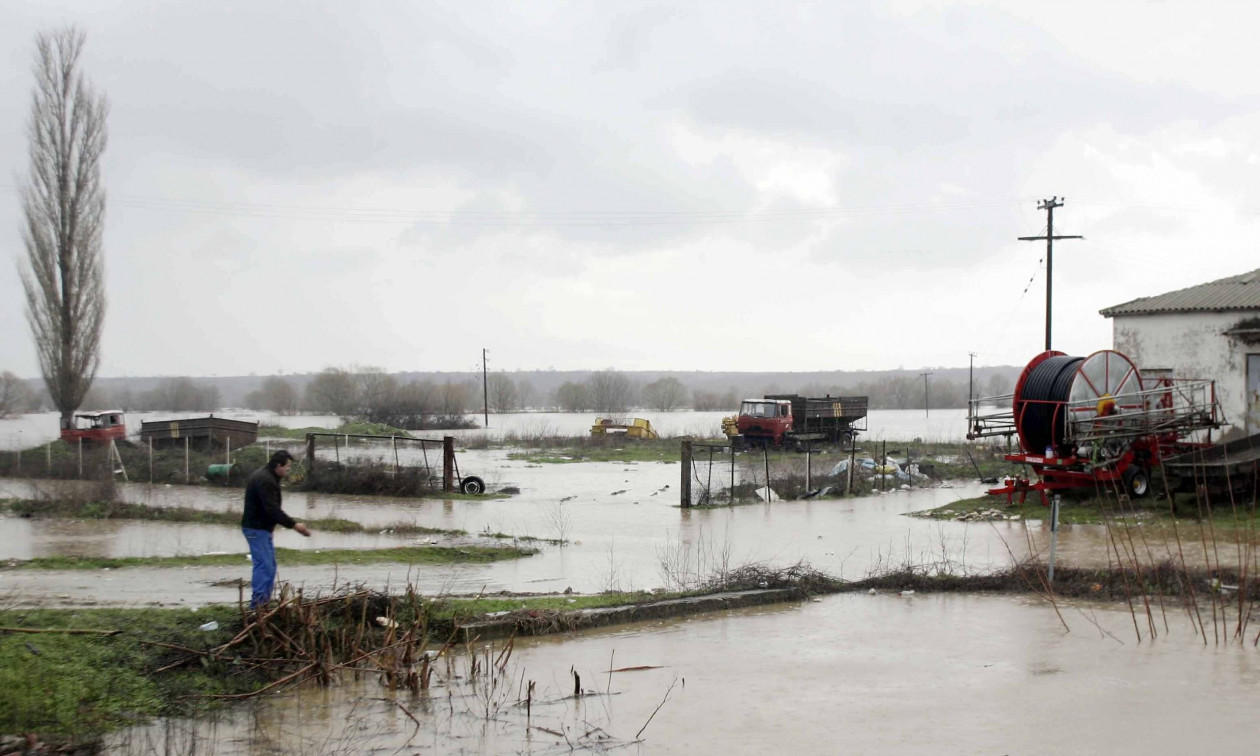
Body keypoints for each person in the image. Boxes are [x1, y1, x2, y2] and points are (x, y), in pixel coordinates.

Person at [241, 449, 311, 609]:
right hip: (255, 529)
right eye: (287, 466)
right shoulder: (265, 480)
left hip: (261, 529)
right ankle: (257, 606)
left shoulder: (268, 476)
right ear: (278, 465)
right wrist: (295, 525)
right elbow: (272, 509)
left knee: (270, 566)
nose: (289, 470)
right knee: (264, 566)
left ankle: (263, 603)